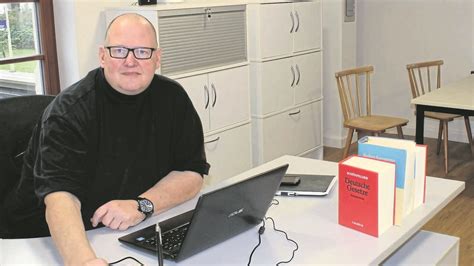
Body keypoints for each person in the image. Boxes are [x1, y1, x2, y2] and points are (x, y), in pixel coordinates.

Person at [4, 13, 209, 265]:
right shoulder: (69, 112)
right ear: (102, 56)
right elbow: (61, 199)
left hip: (121, 231)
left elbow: (191, 171)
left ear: (157, 58)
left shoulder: (173, 99)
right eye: (119, 51)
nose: (131, 61)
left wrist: (141, 205)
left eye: (142, 51)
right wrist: (84, 262)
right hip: (40, 242)